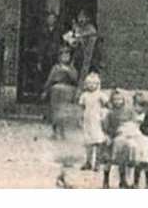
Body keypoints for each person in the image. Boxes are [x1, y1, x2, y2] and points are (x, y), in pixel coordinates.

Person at [45, 47, 82, 187]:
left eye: (67, 54)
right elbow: (50, 80)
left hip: (68, 92)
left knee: (66, 114)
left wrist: (68, 71)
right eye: (62, 54)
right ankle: (56, 129)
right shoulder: (55, 68)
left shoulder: (71, 69)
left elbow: (75, 79)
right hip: (56, 92)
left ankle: (65, 129)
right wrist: (46, 90)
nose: (65, 57)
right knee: (56, 112)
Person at [100, 88, 144, 189]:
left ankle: (134, 181)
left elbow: (135, 124)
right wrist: (107, 136)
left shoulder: (130, 111)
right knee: (109, 152)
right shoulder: (110, 113)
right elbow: (105, 127)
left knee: (136, 149)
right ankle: (108, 180)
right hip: (114, 137)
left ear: (124, 100)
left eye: (120, 99)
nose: (117, 101)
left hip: (129, 136)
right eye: (115, 99)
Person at [77, 71, 109, 172]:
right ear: (86, 85)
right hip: (87, 119)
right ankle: (88, 161)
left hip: (97, 119)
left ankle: (97, 163)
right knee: (88, 141)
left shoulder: (100, 95)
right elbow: (81, 107)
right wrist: (80, 118)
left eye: (94, 83)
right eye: (89, 83)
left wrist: (104, 114)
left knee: (98, 140)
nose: (91, 85)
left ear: (97, 84)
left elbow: (107, 104)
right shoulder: (84, 95)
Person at [66, 10, 101, 77]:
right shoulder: (77, 28)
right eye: (79, 17)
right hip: (77, 55)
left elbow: (92, 35)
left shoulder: (90, 28)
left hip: (88, 56)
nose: (81, 19)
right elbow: (71, 39)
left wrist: (80, 36)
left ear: (87, 18)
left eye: (83, 17)